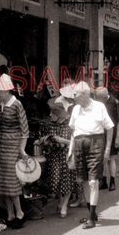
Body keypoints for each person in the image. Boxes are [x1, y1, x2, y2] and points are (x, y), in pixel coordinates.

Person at [66, 81, 114, 229]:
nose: (73, 96)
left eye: (75, 94)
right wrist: (70, 151)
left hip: (96, 143)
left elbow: (110, 128)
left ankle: (91, 218)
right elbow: (73, 132)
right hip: (80, 145)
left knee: (93, 182)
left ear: (84, 95)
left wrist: (107, 150)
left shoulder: (99, 107)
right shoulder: (75, 109)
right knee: (84, 181)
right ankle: (91, 214)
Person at [0, 73, 30, 229]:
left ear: (5, 91)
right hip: (3, 146)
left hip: (12, 147)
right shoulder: (3, 105)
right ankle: (10, 214)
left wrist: (22, 149)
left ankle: (19, 213)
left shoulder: (16, 104)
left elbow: (25, 130)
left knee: (11, 182)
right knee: (3, 182)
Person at [38, 89, 77, 218]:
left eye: (52, 112)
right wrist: (43, 141)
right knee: (55, 181)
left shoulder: (70, 125)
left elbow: (75, 141)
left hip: (66, 156)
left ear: (59, 114)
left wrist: (63, 141)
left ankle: (64, 204)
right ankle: (60, 200)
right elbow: (45, 138)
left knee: (67, 181)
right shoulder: (51, 125)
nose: (50, 114)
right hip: (54, 156)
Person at [93, 87, 119, 191]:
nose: (96, 99)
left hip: (112, 134)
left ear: (104, 96)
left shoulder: (114, 102)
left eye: (98, 97)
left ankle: (112, 181)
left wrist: (118, 137)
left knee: (111, 158)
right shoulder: (96, 103)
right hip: (100, 134)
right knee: (102, 159)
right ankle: (104, 180)